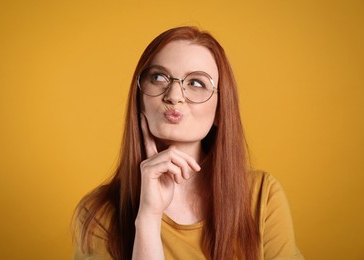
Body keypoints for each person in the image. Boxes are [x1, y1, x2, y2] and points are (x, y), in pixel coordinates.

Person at [73, 26, 304, 260]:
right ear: (139, 99)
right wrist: (148, 219)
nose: (174, 95)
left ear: (220, 111)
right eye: (158, 77)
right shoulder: (98, 212)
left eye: (196, 83)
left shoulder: (262, 196)